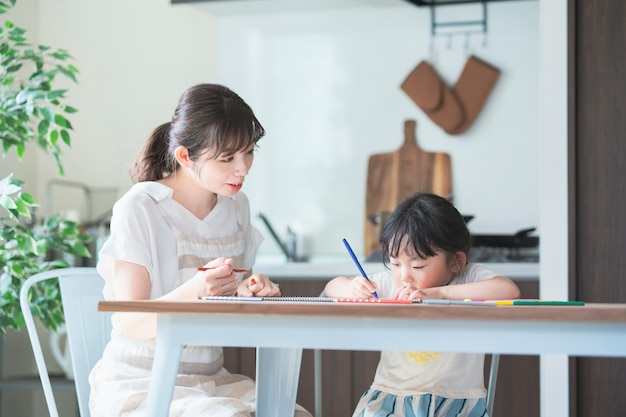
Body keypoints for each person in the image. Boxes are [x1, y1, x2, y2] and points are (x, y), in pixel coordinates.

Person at [88, 83, 311, 417]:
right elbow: (131, 321)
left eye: (249, 151)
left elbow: (228, 306)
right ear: (184, 156)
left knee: (292, 413)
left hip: (211, 382)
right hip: (140, 382)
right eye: (227, 158)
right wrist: (194, 291)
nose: (243, 168)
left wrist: (248, 293)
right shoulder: (140, 207)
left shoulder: (237, 208)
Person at [324, 192, 521, 417]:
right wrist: (352, 288)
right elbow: (332, 286)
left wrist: (436, 293)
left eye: (417, 266)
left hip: (455, 402)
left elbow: (508, 290)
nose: (404, 276)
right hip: (392, 398)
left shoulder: (468, 278)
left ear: (456, 261)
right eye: (395, 263)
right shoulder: (390, 283)